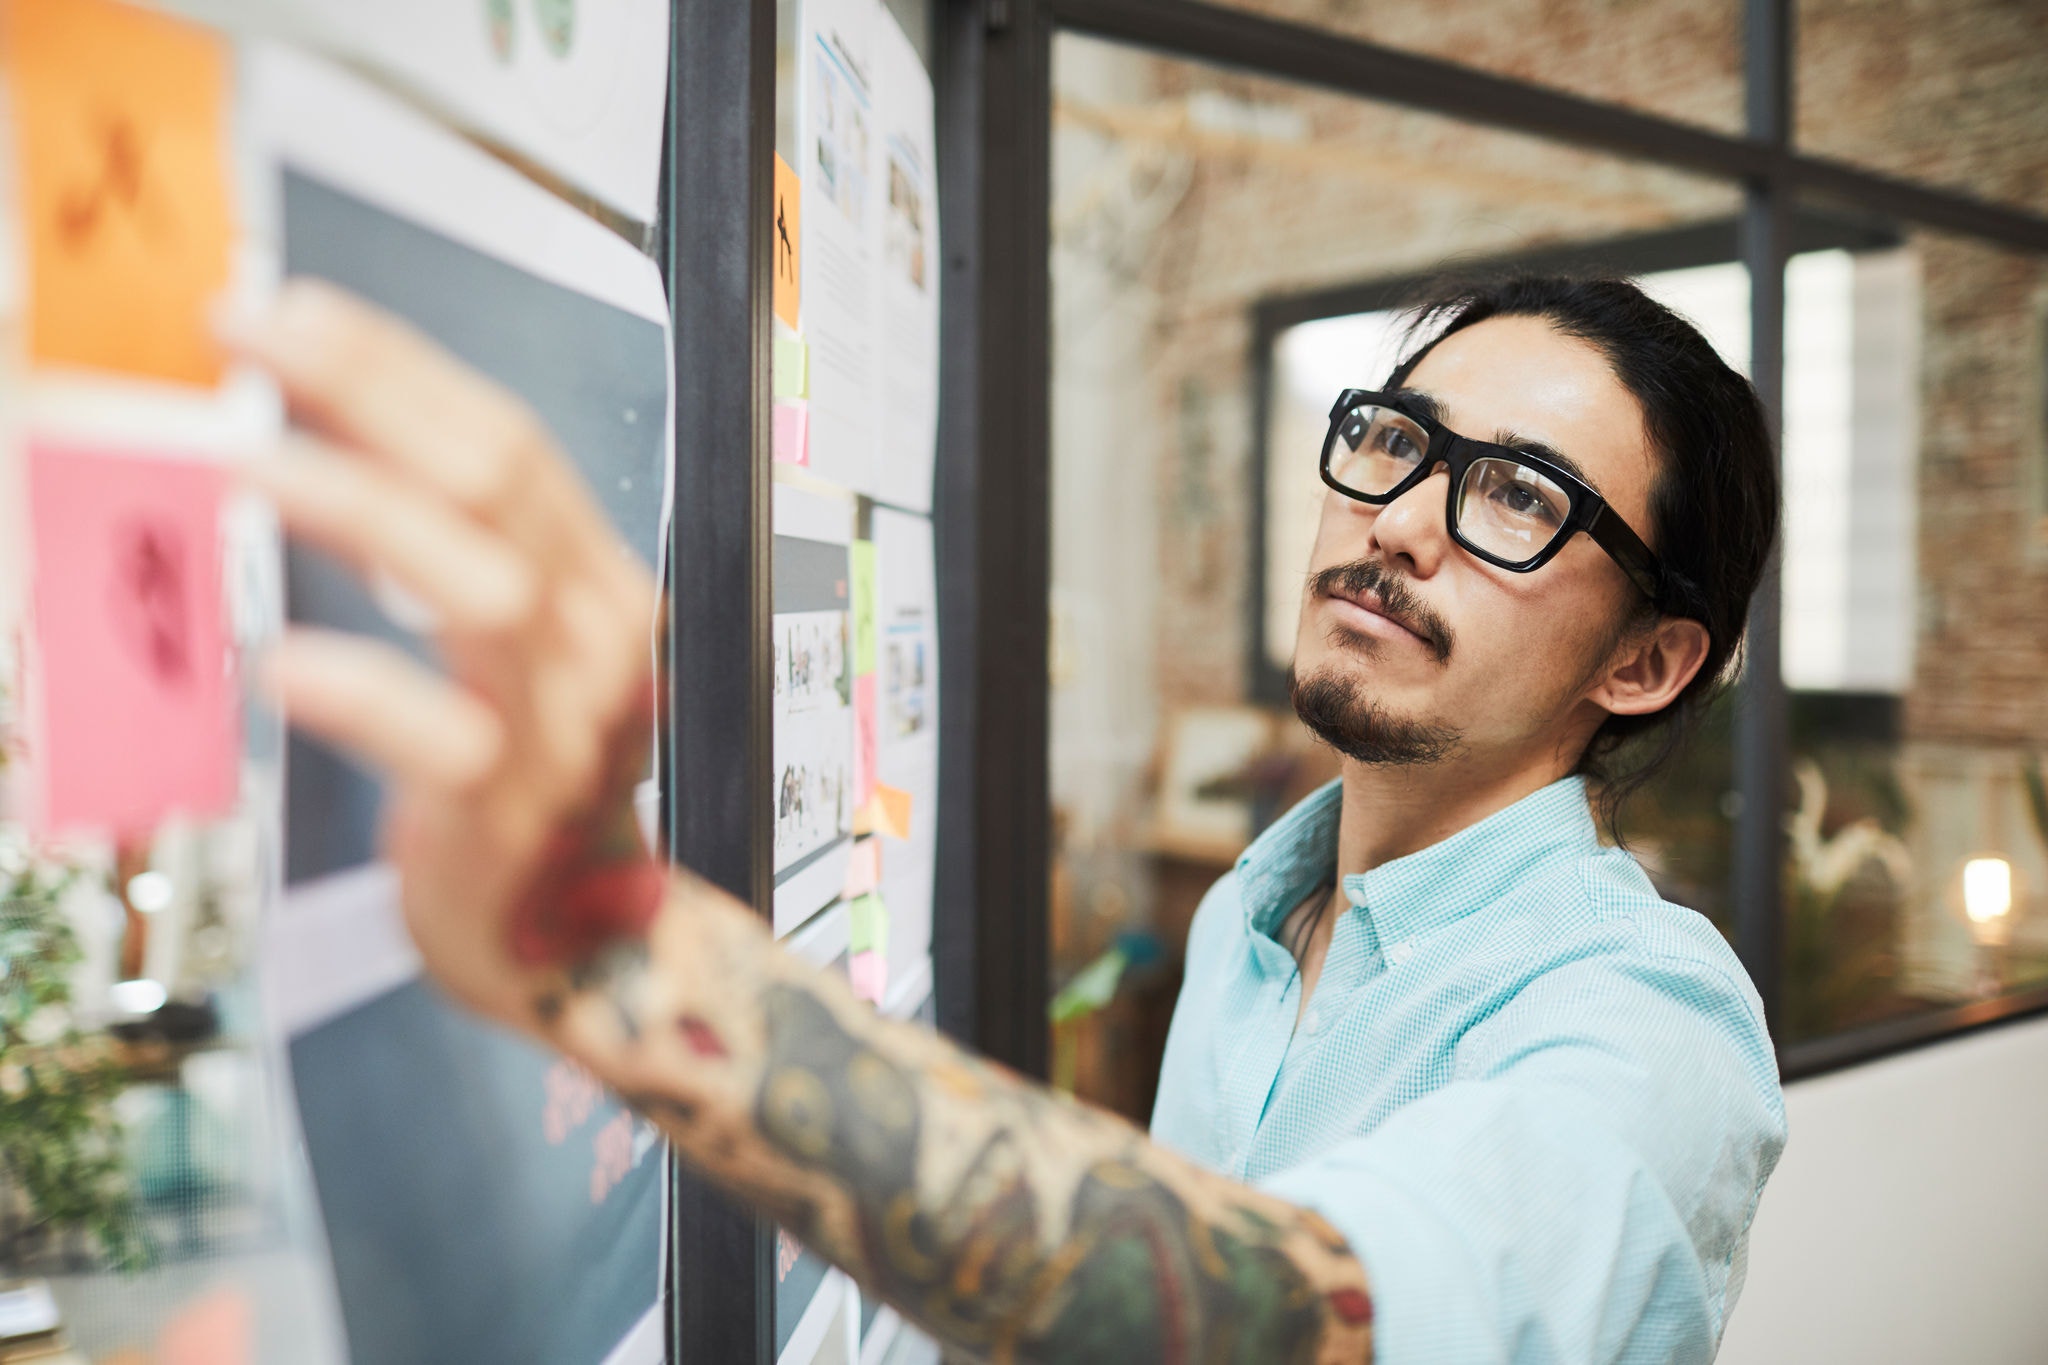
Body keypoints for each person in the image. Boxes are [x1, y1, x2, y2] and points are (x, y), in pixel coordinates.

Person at [224, 269, 1784, 1364]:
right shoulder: (1258, 914)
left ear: (1647, 661)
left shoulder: (1651, 1031)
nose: (1399, 519)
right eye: (1397, 440)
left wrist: (618, 950)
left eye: (1518, 496)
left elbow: (1284, 1319)